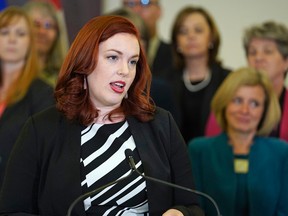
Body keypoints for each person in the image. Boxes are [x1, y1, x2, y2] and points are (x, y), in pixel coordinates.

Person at [0, 15, 204, 216]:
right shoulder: (41, 128)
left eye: (132, 62)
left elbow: (192, 207)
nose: (125, 70)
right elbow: (12, 211)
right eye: (113, 57)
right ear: (84, 61)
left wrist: (179, 213)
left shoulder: (161, 124)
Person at [188, 67, 288, 216]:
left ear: (265, 110)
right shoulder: (199, 150)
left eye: (254, 103)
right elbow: (195, 209)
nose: (245, 110)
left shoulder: (281, 152)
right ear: (225, 103)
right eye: (237, 100)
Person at [0, 6, 54, 188]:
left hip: (13, 193)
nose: (12, 39)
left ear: (31, 42)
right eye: (5, 32)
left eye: (21, 33)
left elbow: (44, 155)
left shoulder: (43, 93)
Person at [169, 6, 230, 142]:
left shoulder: (229, 80)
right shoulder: (164, 82)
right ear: (176, 42)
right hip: (173, 160)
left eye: (198, 30)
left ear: (211, 38)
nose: (191, 36)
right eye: (183, 32)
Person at [244, 21, 288, 141]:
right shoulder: (230, 102)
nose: (258, 58)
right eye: (252, 52)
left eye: (267, 51)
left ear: (286, 62)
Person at [122, 0, 173, 78]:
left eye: (145, 2)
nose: (137, 10)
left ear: (159, 11)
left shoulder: (176, 55)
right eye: (131, 3)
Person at [23, 1, 68, 87]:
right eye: (36, 24)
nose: (42, 31)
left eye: (48, 25)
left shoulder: (66, 79)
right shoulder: (7, 75)